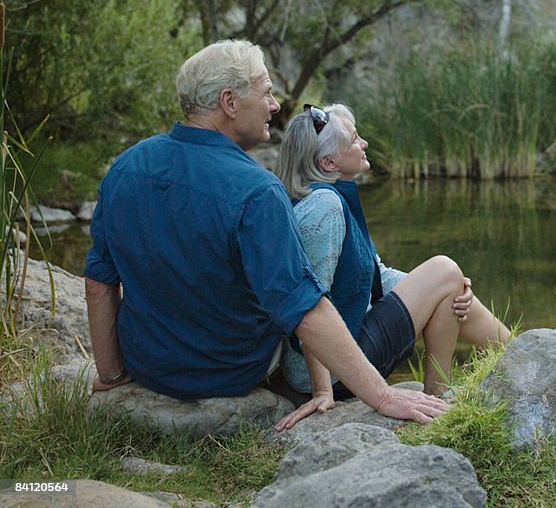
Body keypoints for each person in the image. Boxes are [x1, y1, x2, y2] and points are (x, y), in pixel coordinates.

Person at [83, 40, 447, 426]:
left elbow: (99, 283)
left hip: (150, 367)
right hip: (230, 373)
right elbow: (305, 310)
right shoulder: (257, 190)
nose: (274, 105)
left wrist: (111, 375)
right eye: (267, 92)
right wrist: (383, 395)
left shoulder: (126, 167)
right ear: (230, 102)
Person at [273, 102, 511, 427]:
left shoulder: (329, 196)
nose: (364, 144)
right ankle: (439, 402)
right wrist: (321, 390)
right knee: (444, 270)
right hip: (340, 366)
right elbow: (311, 303)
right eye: (355, 139)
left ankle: (517, 352)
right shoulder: (323, 209)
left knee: (450, 284)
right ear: (328, 162)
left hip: (347, 346)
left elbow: (377, 276)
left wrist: (440, 288)